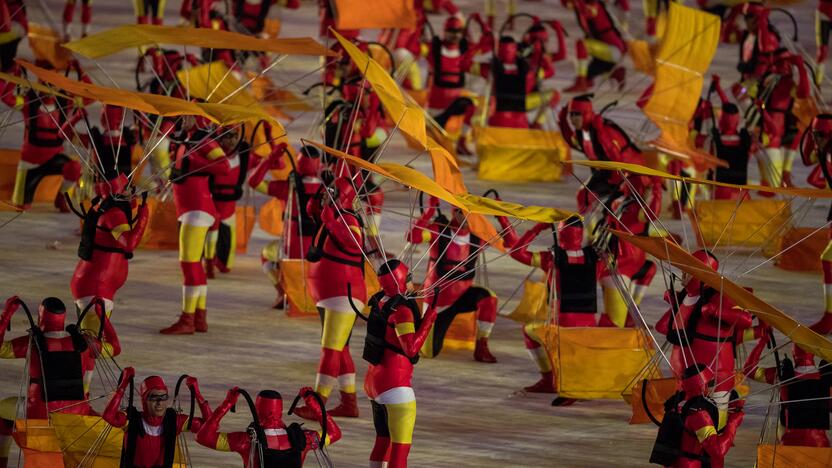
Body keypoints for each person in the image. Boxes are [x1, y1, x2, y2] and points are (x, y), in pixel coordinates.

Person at [496, 216, 598, 399]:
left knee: (529, 330)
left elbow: (517, 252)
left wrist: (536, 229)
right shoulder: (594, 257)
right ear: (580, 234)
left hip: (562, 324)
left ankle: (549, 379)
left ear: (560, 234)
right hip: (590, 325)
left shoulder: (551, 258)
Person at [654, 250, 752, 431]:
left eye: (688, 270)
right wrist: (676, 306)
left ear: (701, 272)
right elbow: (662, 327)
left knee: (712, 431)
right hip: (686, 381)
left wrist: (715, 311)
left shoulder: (718, 296)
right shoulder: (686, 297)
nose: (683, 274)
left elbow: (745, 319)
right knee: (686, 433)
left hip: (716, 379)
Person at [294, 177, 366, 418]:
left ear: (342, 197)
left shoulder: (348, 218)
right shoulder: (334, 216)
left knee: (331, 350)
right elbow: (312, 212)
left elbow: (355, 244)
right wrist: (318, 204)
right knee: (341, 349)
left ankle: (318, 404)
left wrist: (332, 222)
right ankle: (349, 402)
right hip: (331, 293)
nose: (327, 195)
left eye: (332, 193)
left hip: (343, 292)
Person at [362, 259, 438, 468]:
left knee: (383, 440)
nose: (414, 283)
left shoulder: (380, 301)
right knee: (399, 450)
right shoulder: (402, 311)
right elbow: (411, 349)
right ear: (402, 281)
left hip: (373, 382)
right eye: (410, 278)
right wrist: (429, 321)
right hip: (395, 385)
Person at [160, 119, 231, 335]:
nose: (185, 116)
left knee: (189, 265)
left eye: (190, 113)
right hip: (192, 208)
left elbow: (224, 166)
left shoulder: (205, 141)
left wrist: (195, 161)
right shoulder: (189, 139)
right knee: (195, 266)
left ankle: (187, 319)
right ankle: (199, 317)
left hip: (197, 209)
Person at [407, 198, 498, 362]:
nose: (469, 217)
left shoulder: (478, 236)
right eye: (464, 212)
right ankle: (412, 327)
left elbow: (506, 242)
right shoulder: (438, 231)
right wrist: (429, 211)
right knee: (429, 352)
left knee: (489, 298)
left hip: (462, 296)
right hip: (438, 304)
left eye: (473, 213)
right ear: (454, 212)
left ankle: (481, 346)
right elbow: (413, 237)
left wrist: (501, 215)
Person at [70, 167, 149, 350]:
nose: (132, 193)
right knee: (90, 349)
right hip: (95, 288)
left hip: (97, 285)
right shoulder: (114, 215)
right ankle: (81, 378)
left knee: (89, 343)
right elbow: (128, 244)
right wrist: (145, 216)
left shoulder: (107, 207)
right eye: (128, 189)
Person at [249, 144, 325, 307]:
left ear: (299, 164)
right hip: (320, 254)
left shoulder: (287, 188)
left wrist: (271, 158)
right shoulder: (327, 190)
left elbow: (254, 181)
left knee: (266, 254)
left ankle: (282, 292)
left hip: (291, 252)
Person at [0, 64, 83, 212]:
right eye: (45, 83)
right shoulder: (28, 102)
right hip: (29, 162)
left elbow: (87, 98)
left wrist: (80, 71)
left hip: (54, 158)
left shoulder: (66, 103)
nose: (49, 87)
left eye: (52, 83)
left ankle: (62, 196)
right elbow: (6, 97)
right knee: (21, 207)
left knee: (75, 168)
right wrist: (14, 76)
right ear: (39, 85)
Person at [196, 386, 341, 466]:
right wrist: (315, 407)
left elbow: (203, 437)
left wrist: (226, 405)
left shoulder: (246, 440)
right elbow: (335, 433)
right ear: (281, 411)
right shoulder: (303, 439)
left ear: (257, 411)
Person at [103, 367, 212, 468]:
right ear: (144, 401)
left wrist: (197, 393)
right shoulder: (132, 420)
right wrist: (123, 385)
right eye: (154, 397)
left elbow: (210, 427)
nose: (160, 403)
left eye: (163, 397)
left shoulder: (174, 422)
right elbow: (108, 416)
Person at [558, 95, 645, 214]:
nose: (573, 119)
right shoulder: (582, 131)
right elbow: (572, 142)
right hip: (606, 174)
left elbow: (617, 158)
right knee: (583, 196)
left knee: (612, 210)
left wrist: (602, 133)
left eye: (576, 114)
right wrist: (563, 120)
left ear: (586, 113)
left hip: (627, 176)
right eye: (570, 114)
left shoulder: (602, 130)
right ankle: (584, 228)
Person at [651, 363, 745, 468]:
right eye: (710, 383)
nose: (712, 388)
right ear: (701, 385)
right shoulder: (699, 414)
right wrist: (733, 422)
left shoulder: (677, 403)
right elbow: (717, 450)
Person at [744, 338, 832, 447]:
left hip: (789, 442)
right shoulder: (827, 378)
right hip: (820, 444)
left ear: (794, 353)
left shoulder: (782, 375)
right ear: (813, 354)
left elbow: (749, 370)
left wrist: (762, 341)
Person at [426, 15, 492, 154]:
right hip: (436, 105)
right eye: (451, 31)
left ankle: (462, 140)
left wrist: (482, 24)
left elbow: (488, 43)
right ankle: (436, 126)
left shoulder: (465, 50)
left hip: (454, 102)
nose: (455, 35)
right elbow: (414, 49)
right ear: (445, 31)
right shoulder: (434, 48)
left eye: (458, 32)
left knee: (472, 106)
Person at [800, 114, 832, 334]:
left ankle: (829, 317)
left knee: (828, 259)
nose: (816, 138)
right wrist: (810, 136)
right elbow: (808, 162)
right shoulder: (825, 150)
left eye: (819, 135)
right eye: (814, 134)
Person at [563, 0, 628, 92]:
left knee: (582, 44)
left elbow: (588, 13)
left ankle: (581, 82)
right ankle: (614, 72)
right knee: (588, 78)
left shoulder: (592, 4)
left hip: (613, 49)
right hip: (605, 49)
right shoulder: (584, 6)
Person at [706, 76, 753, 200]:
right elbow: (749, 155)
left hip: (722, 187)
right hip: (741, 187)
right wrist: (718, 88)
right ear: (737, 120)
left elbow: (711, 161)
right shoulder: (745, 139)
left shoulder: (716, 139)